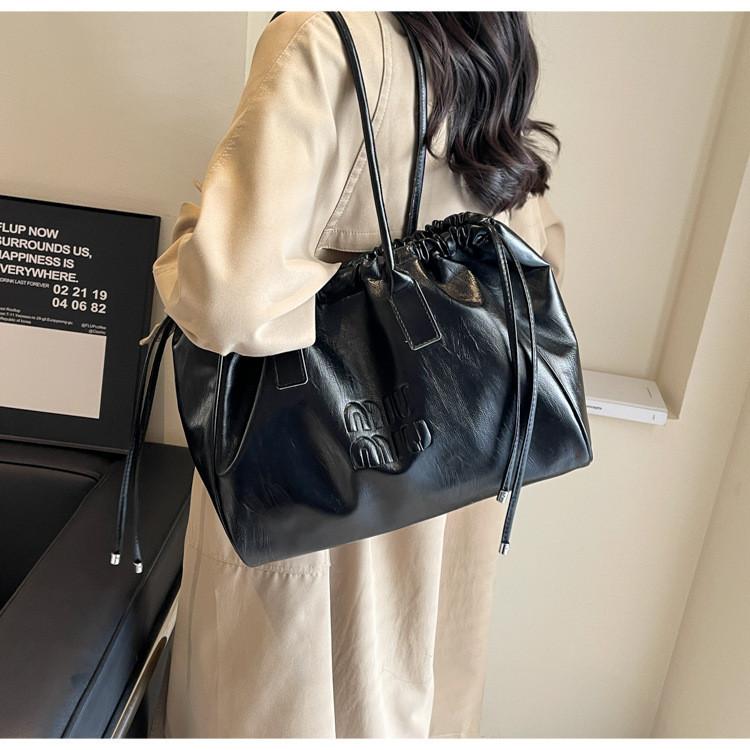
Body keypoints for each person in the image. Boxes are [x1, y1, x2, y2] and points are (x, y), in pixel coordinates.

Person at [151, 10, 566, 738]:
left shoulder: (321, 39)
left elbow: (226, 298)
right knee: (412, 695)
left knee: (296, 699)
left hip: (317, 476)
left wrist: (191, 237)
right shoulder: (487, 44)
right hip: (451, 471)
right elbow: (535, 259)